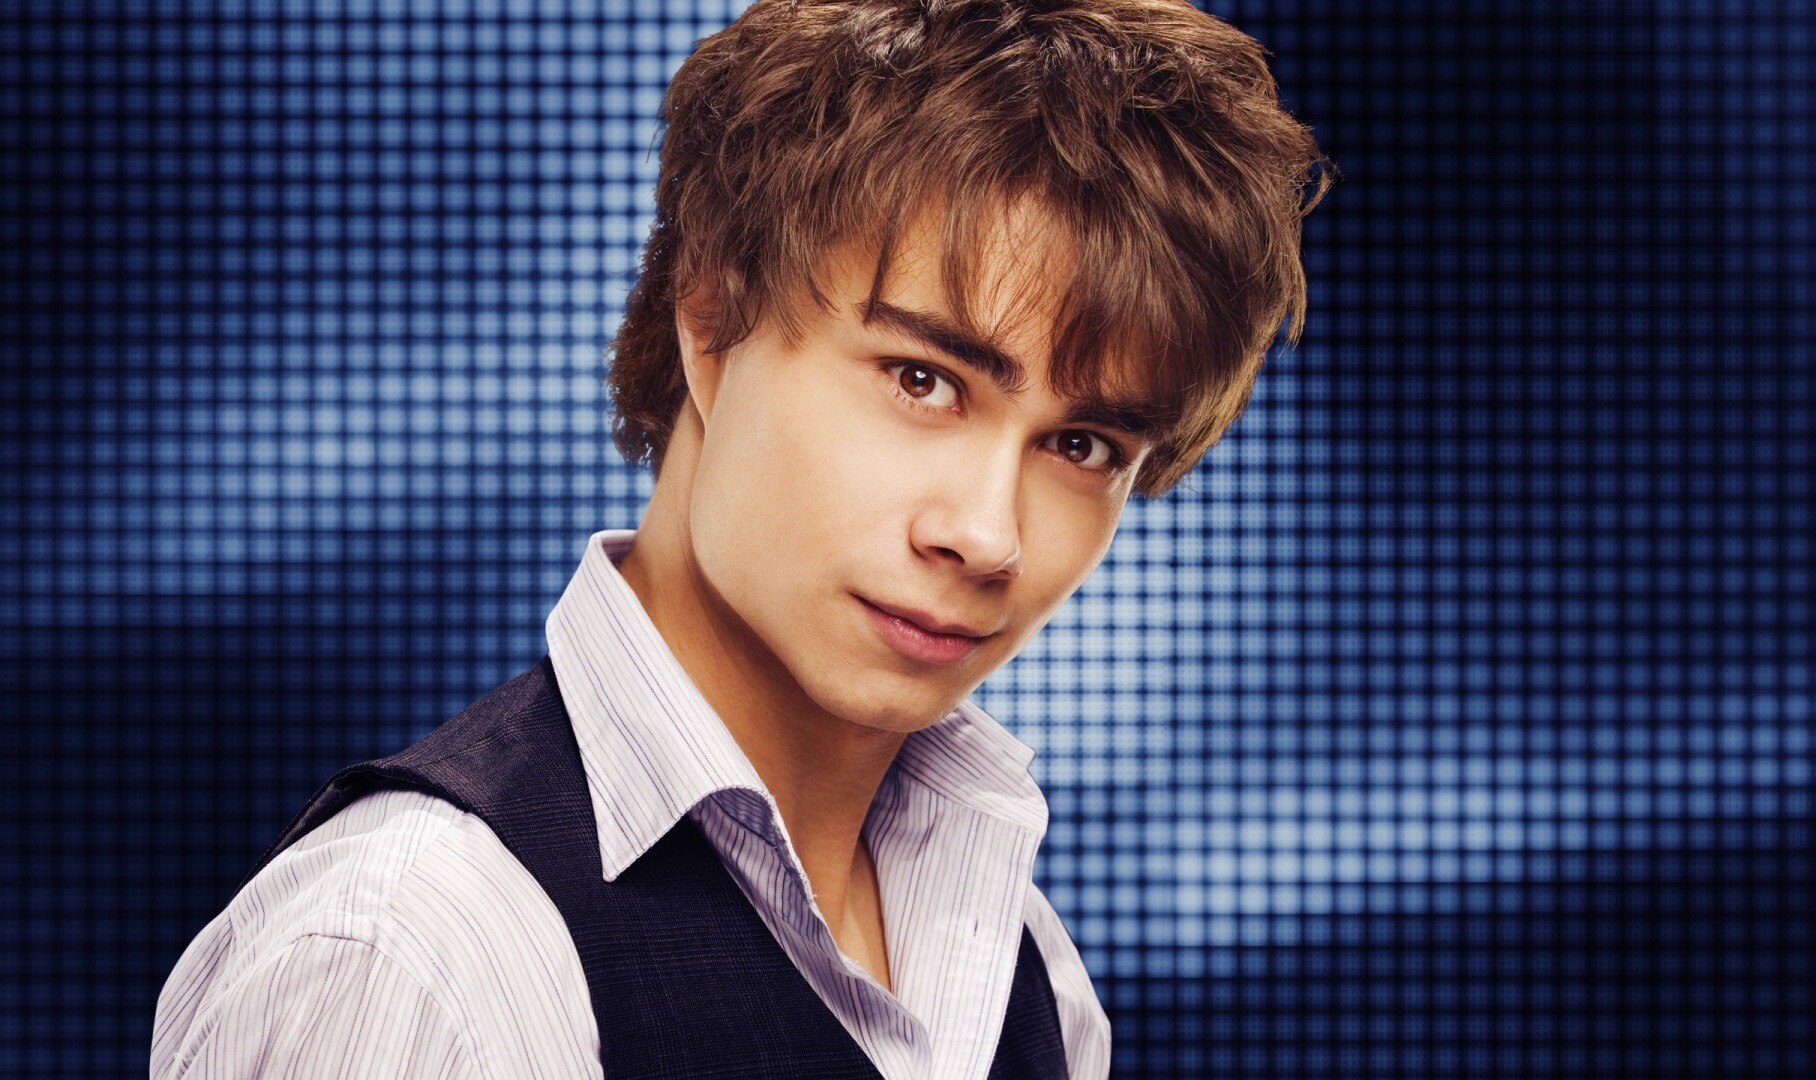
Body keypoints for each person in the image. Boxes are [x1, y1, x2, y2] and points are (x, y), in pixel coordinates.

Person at [149, 0, 1331, 1075]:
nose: (986, 535)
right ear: (713, 314)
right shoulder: (414, 953)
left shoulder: (1023, 967)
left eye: (1083, 445)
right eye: (922, 379)